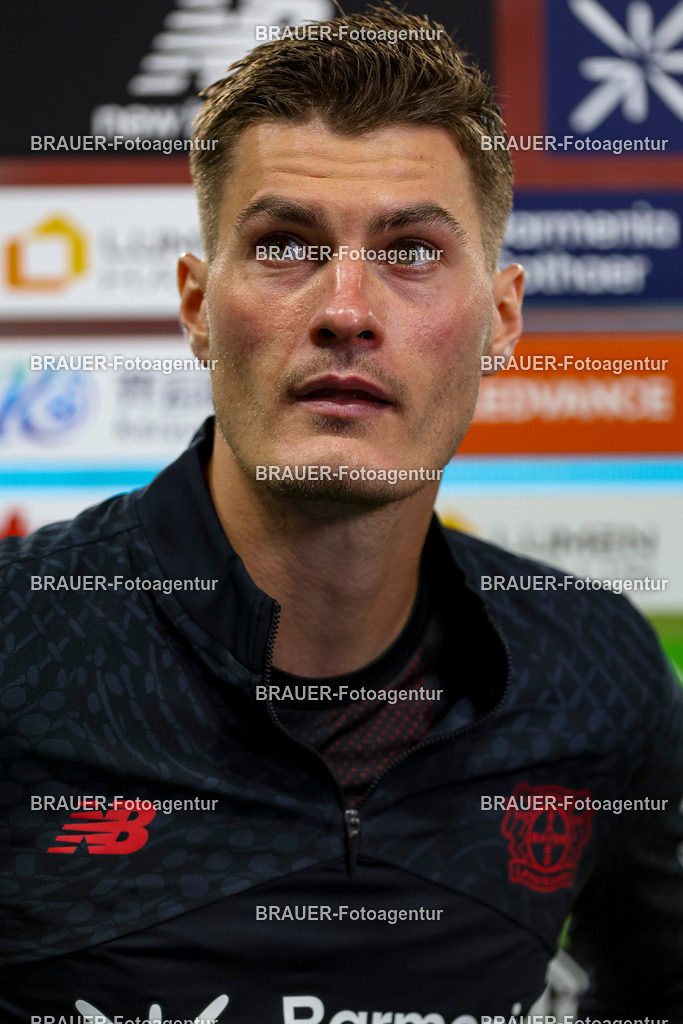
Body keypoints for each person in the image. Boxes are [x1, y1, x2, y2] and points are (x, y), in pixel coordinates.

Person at [1, 5, 682, 1022]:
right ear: (196, 307)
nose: (346, 310)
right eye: (285, 245)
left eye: (411, 251)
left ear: (500, 319)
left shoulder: (595, 674)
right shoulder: (18, 643)